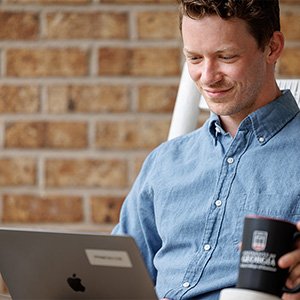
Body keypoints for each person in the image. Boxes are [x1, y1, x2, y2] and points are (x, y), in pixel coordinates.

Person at [112, 0, 300, 299]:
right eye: (195, 58)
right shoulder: (165, 162)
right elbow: (113, 273)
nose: (207, 76)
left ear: (272, 47)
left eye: (226, 56)